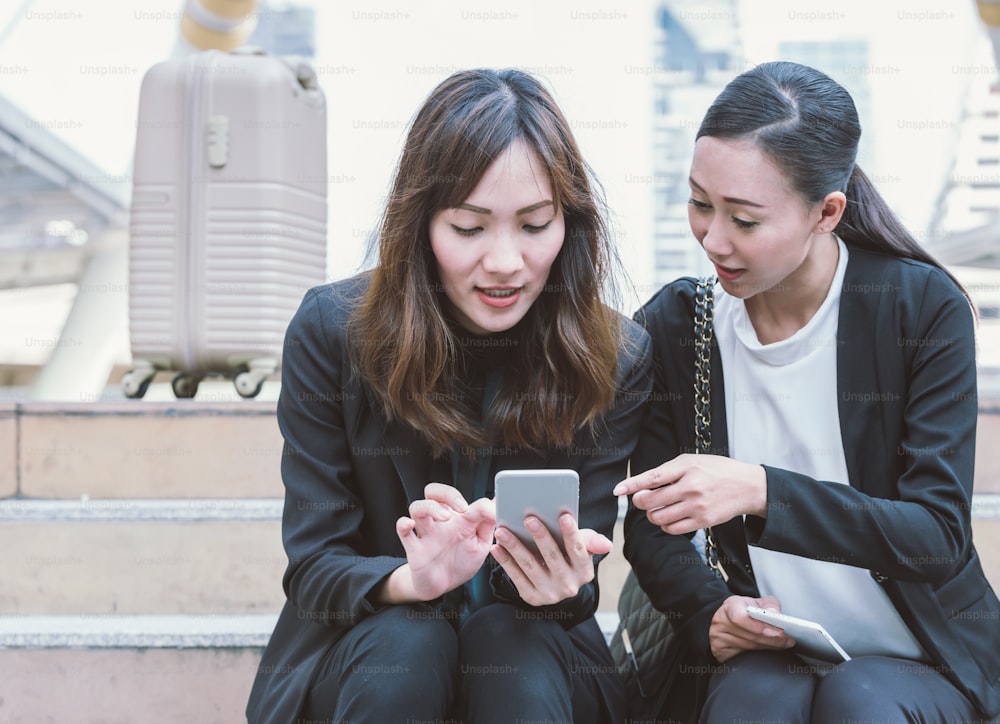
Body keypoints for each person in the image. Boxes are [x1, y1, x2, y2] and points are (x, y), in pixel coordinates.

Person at [245, 67, 652, 724]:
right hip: (368, 653)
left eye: (534, 225)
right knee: (411, 639)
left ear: (568, 225)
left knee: (508, 645)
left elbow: (579, 587)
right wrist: (415, 581)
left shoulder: (614, 355)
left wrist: (563, 584)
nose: (504, 262)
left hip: (533, 657)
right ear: (420, 225)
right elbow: (316, 569)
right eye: (469, 228)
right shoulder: (332, 332)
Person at [615, 60, 1000, 723]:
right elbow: (655, 526)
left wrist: (760, 489)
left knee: (861, 703)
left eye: (744, 219)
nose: (713, 238)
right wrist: (709, 612)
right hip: (771, 648)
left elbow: (935, 535)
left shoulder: (917, 309)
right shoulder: (679, 325)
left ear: (827, 212)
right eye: (700, 204)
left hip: (924, 655)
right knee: (751, 700)